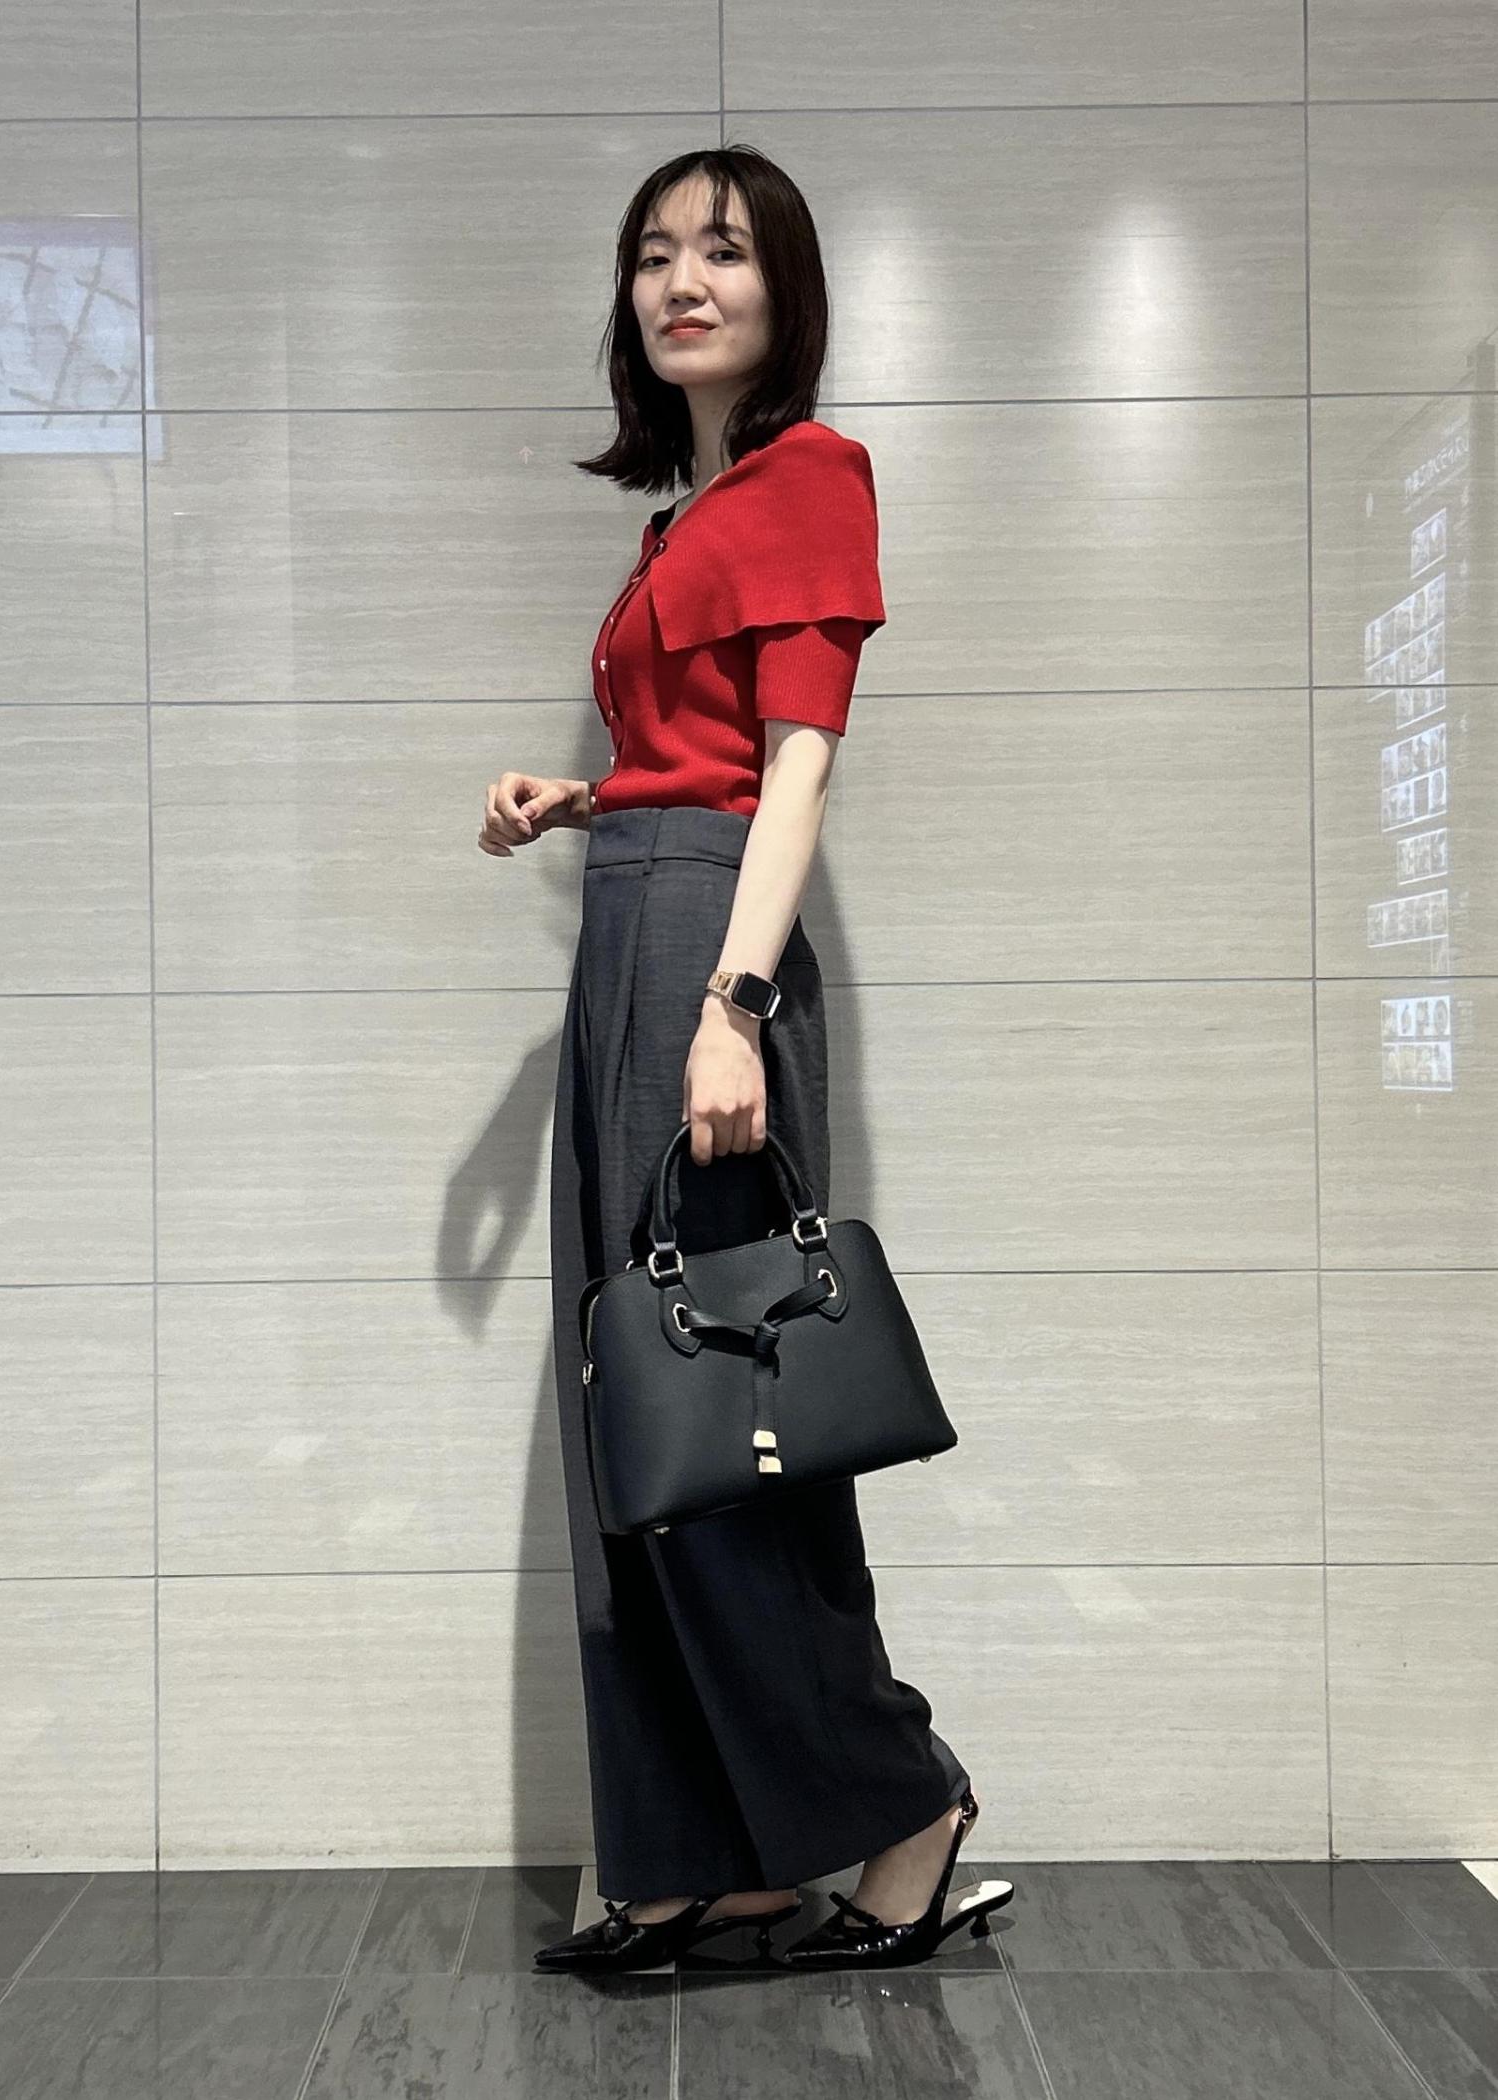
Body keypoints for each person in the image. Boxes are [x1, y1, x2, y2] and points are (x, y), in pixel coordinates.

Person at [478, 145, 1011, 1972]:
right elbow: (699, 752)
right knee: (642, 1412)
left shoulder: (810, 478)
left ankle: (901, 1803)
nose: (681, 281)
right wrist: (585, 797)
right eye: (652, 255)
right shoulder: (683, 522)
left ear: (787, 286)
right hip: (635, 922)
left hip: (704, 951)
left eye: (721, 249)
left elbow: (797, 768)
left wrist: (732, 1003)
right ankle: (716, 1855)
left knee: (727, 1422)